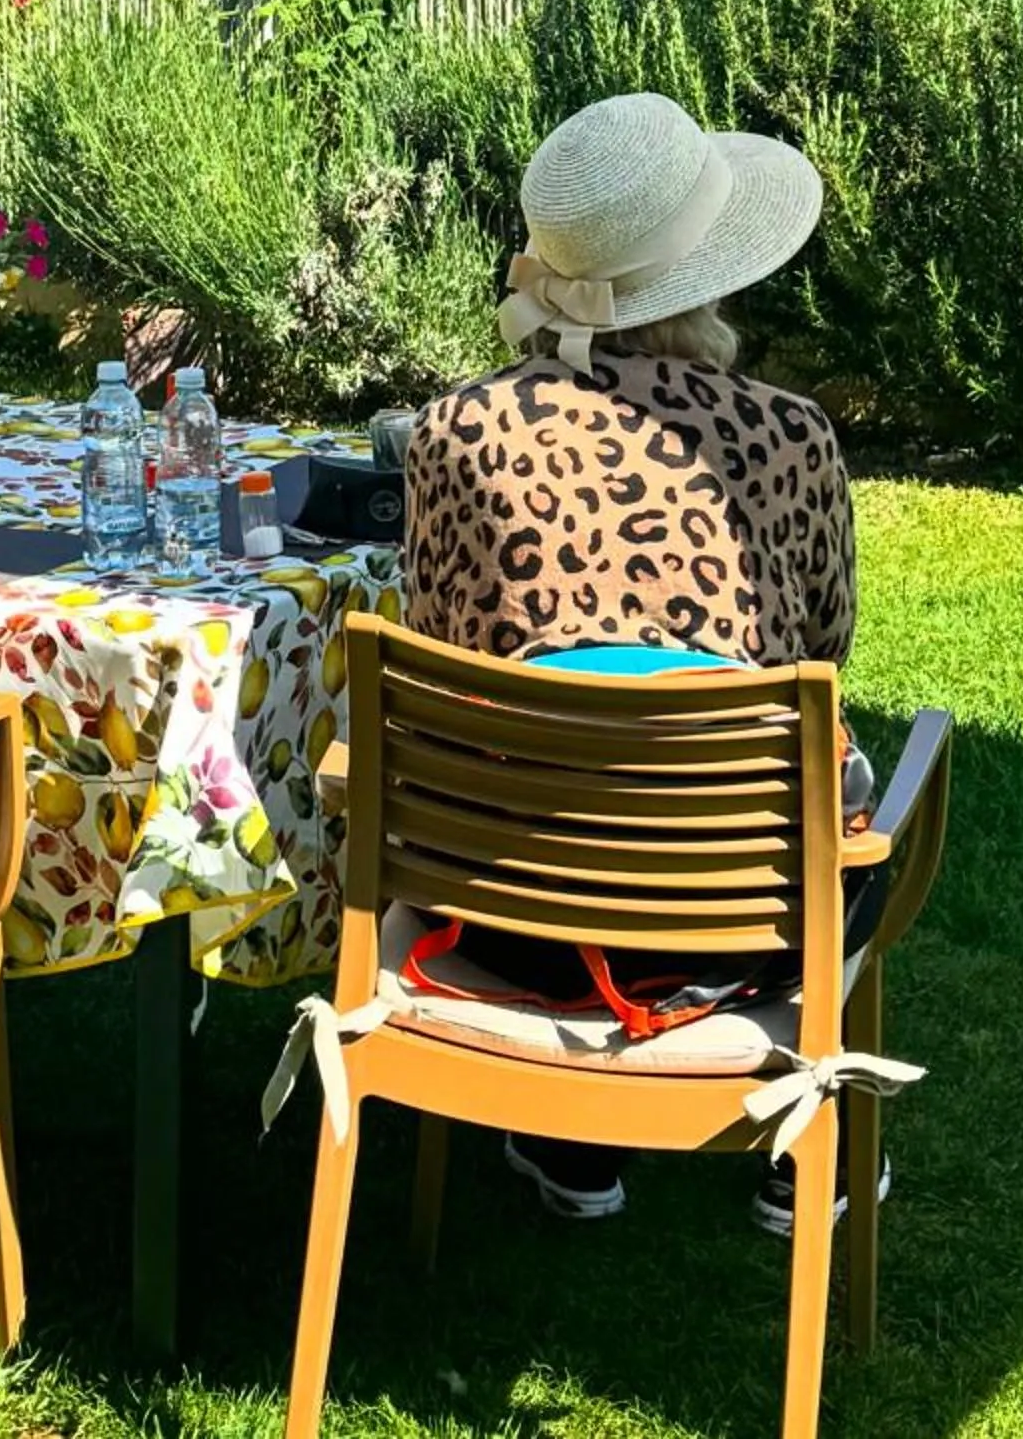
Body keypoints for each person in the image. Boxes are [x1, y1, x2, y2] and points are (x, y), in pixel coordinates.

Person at [402, 92, 864, 1231]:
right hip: (738, 923)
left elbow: (436, 640)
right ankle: (808, 1143)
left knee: (522, 737)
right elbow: (825, 650)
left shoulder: (456, 433)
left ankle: (571, 1136)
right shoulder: (791, 439)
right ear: (713, 275)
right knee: (856, 788)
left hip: (506, 907)